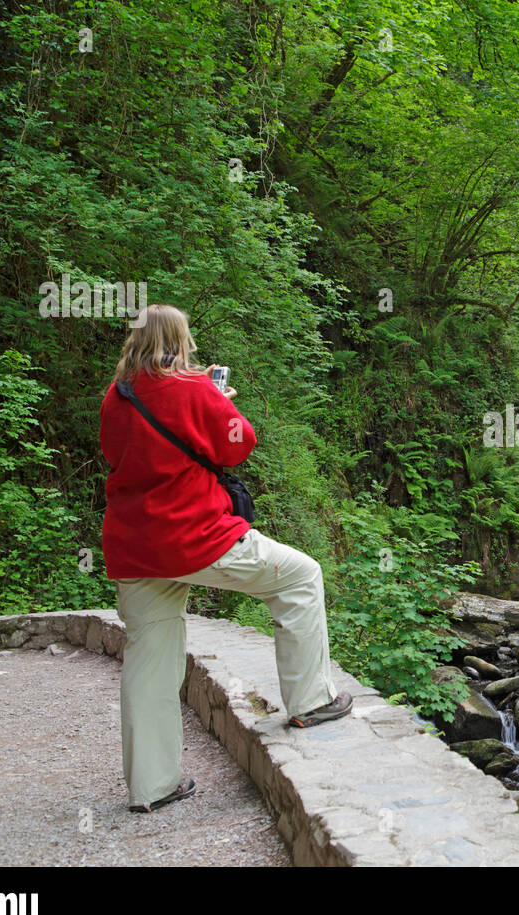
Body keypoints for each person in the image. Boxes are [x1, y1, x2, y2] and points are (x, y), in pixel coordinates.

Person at [99, 303, 351, 813]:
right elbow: (239, 445)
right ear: (180, 338)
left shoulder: (116, 396)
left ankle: (151, 788)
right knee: (301, 577)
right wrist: (220, 403)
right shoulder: (194, 388)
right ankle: (311, 702)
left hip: (134, 545)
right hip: (197, 535)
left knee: (148, 657)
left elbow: (114, 452)